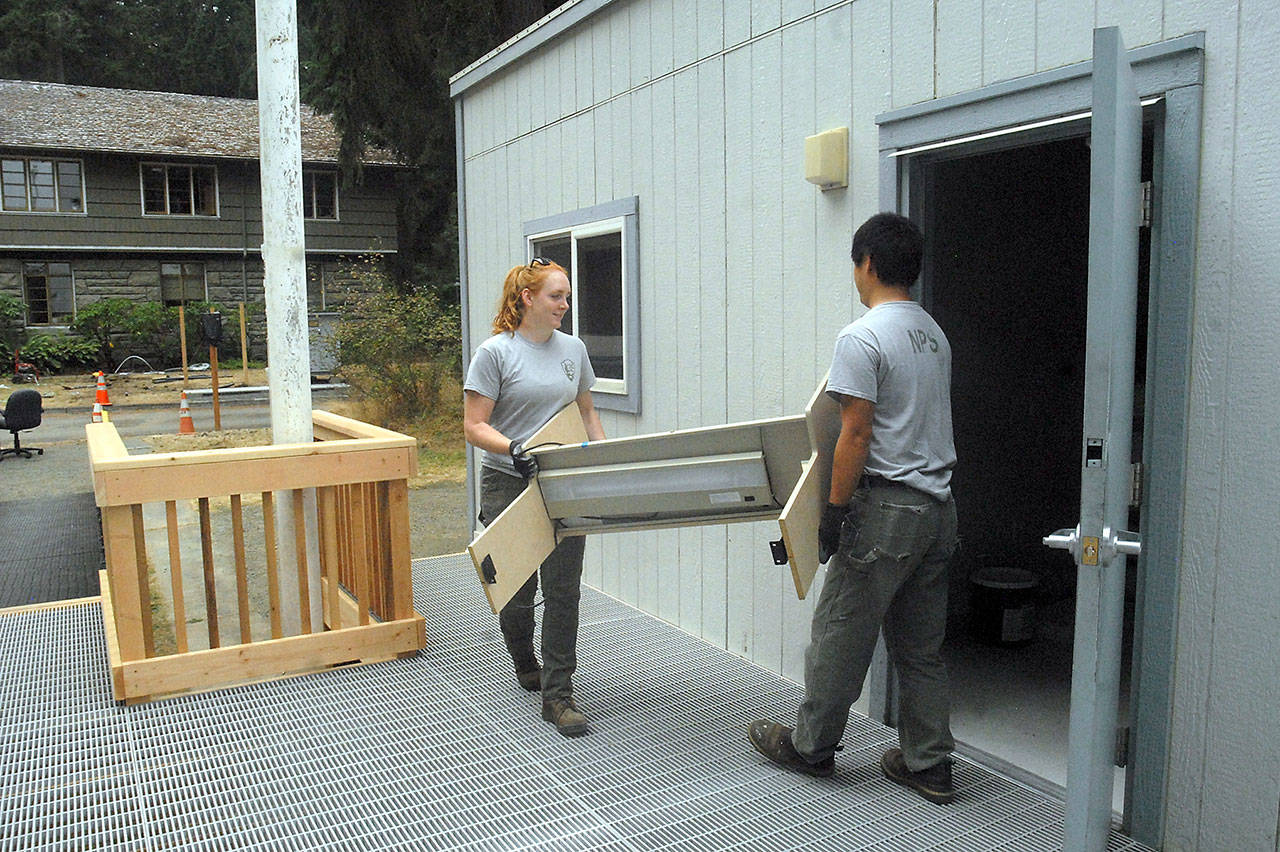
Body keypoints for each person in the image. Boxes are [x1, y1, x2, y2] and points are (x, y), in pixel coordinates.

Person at [748, 213, 960, 804]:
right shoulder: (933, 334)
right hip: (939, 509)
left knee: (842, 629)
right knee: (921, 647)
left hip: (887, 512)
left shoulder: (862, 336)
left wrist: (833, 514)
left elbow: (856, 434)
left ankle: (811, 747)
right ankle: (929, 763)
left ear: (867, 263)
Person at [463, 257, 606, 737]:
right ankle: (523, 656)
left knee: (564, 589)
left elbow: (587, 412)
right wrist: (513, 447)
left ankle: (557, 694)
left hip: (563, 482)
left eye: (566, 297)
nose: (565, 305)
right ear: (527, 298)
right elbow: (473, 426)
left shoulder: (574, 350)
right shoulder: (495, 353)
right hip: (509, 480)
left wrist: (602, 462)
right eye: (556, 296)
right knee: (517, 591)